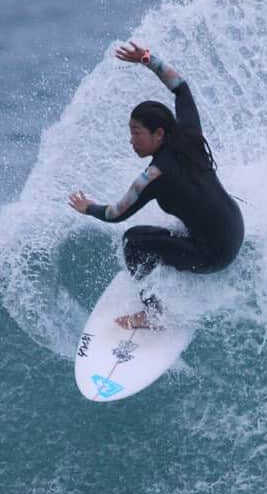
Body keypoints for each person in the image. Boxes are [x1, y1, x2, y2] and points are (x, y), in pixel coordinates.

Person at [68, 42, 244, 329]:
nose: (131, 140)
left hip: (215, 255)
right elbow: (181, 89)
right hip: (235, 228)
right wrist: (148, 59)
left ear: (158, 134)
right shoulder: (189, 135)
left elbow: (115, 214)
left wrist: (88, 208)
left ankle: (152, 314)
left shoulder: (154, 176)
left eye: (136, 133)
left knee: (134, 241)